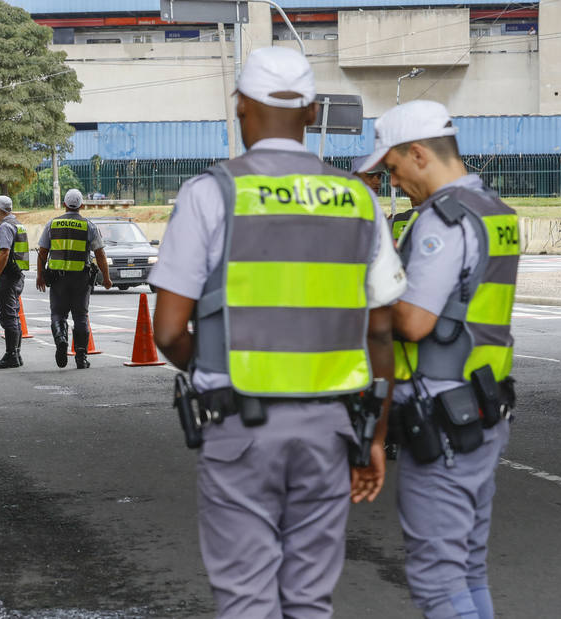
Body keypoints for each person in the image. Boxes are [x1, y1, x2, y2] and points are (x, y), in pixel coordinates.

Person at [149, 47, 407, 618]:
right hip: (331, 430)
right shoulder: (359, 199)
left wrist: (212, 365)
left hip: (239, 423)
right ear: (312, 111)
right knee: (310, 600)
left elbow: (167, 331)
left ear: (241, 105)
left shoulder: (210, 194)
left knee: (246, 599)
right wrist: (375, 438)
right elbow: (382, 335)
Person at [358, 100, 518, 619]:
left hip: (443, 420)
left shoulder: (442, 220)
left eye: (395, 169)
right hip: (481, 408)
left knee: (436, 577)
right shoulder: (495, 211)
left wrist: (366, 289)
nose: (396, 182)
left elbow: (413, 322)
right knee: (467, 567)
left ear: (419, 154)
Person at [35, 188, 112, 369]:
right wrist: (106, 279)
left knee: (58, 314)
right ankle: (81, 358)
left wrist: (40, 276)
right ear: (81, 206)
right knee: (80, 317)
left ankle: (61, 339)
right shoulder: (89, 226)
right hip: (81, 279)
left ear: (64, 205)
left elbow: (42, 253)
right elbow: (100, 255)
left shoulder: (52, 224)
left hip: (57, 279)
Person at [0, 195, 28, 369]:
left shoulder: (5, 226)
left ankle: (11, 355)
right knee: (14, 315)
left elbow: (4, 252)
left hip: (7, 277)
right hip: (17, 275)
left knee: (8, 316)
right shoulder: (17, 224)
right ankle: (16, 354)